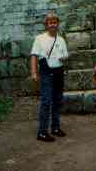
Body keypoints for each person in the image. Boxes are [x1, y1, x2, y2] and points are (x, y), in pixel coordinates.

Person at [30, 12, 69, 142]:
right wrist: (34, 72)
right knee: (46, 101)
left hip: (58, 71)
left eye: (54, 22)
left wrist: (63, 58)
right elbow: (34, 56)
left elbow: (65, 55)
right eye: (50, 22)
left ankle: (55, 127)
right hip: (46, 72)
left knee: (58, 100)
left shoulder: (61, 39)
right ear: (46, 25)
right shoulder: (39, 38)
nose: (53, 24)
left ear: (58, 24)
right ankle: (42, 132)